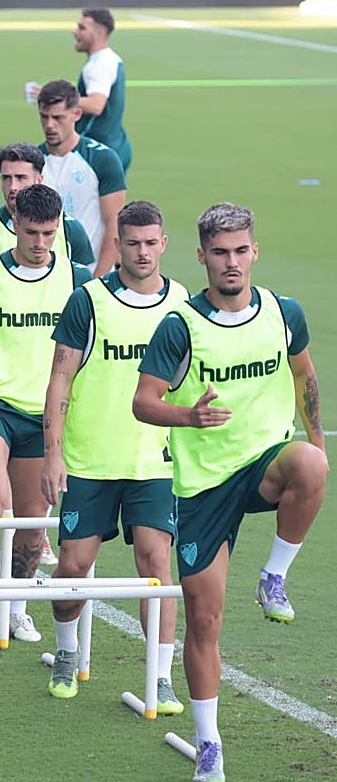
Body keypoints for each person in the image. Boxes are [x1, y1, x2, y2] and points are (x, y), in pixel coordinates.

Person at [133, 202, 328, 782]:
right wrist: (186, 418)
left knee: (312, 466)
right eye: (220, 253)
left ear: (255, 252)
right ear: (201, 257)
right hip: (204, 486)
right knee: (204, 620)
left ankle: (274, 577)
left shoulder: (283, 312)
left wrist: (316, 438)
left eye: (241, 251)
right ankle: (209, 743)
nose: (232, 263)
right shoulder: (181, 327)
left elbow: (304, 375)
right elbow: (144, 402)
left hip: (266, 461)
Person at [41, 200, 188, 711]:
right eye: (133, 243)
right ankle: (65, 652)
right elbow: (60, 377)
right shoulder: (89, 301)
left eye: (151, 242)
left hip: (155, 462)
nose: (143, 252)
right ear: (118, 244)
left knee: (156, 565)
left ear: (163, 244)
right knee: (73, 566)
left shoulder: (184, 304)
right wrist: (53, 454)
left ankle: (161, 676)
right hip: (89, 461)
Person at [0, 184, 92, 657]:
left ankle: (17, 603)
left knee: (31, 526)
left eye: (49, 233)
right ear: (15, 224)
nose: (40, 242)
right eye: (31, 232)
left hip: (43, 414)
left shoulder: (76, 280)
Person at [36, 79, 126, 276]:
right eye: (44, 117)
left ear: (76, 114)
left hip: (92, 274)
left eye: (58, 118)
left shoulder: (103, 159)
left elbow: (114, 222)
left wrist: (98, 281)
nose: (50, 125)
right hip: (45, 279)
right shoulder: (32, 163)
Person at [0, 142, 94, 271]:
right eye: (6, 178)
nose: (13, 187)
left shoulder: (70, 230)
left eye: (21, 178)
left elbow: (83, 287)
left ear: (39, 180)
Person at [74, 8, 131, 172]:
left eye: (82, 28)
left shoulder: (98, 65)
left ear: (99, 32)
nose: (75, 32)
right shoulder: (111, 59)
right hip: (115, 144)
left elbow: (95, 105)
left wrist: (57, 99)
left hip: (99, 150)